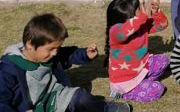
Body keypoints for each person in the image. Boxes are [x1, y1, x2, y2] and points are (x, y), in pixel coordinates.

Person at [0, 14, 131, 112]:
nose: (55, 53)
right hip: (32, 109)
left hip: (55, 97)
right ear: (30, 44)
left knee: (81, 97)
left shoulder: (50, 55)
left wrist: (85, 54)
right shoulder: (9, 68)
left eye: (57, 48)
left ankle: (107, 108)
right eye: (51, 49)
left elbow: (68, 54)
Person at [105, 0, 169, 102]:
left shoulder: (141, 24)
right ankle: (124, 94)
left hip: (140, 68)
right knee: (158, 88)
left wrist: (156, 11)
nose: (144, 9)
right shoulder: (115, 32)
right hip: (124, 82)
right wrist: (143, 17)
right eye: (140, 8)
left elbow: (162, 25)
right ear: (129, 15)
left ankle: (142, 83)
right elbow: (126, 31)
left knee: (163, 60)